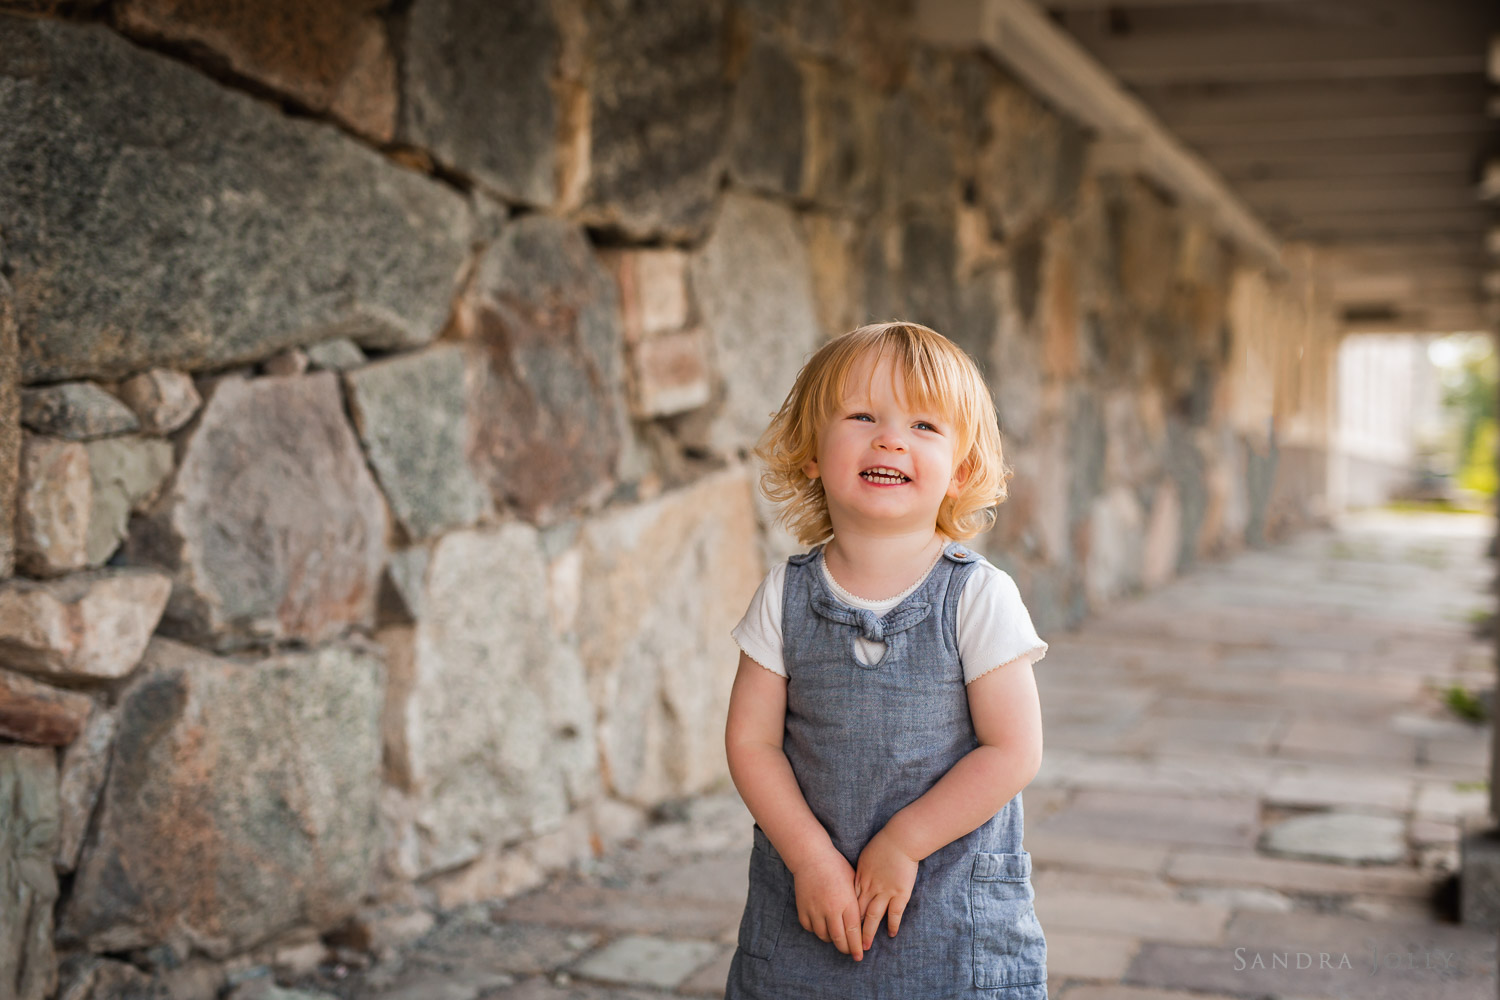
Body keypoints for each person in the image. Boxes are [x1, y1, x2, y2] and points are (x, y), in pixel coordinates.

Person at [723, 321, 1050, 999]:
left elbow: (1012, 750)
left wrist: (904, 842)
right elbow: (752, 742)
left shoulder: (977, 596)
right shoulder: (786, 596)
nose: (890, 438)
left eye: (924, 426)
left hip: (951, 906)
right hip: (810, 903)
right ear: (812, 451)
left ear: (960, 470)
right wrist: (810, 857)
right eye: (863, 416)